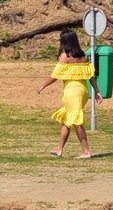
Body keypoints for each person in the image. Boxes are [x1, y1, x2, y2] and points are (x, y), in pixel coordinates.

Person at [37, 29, 99, 158]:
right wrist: (97, 91)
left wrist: (43, 85)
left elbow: (55, 76)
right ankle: (59, 149)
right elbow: (90, 76)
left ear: (64, 41)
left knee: (76, 121)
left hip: (72, 90)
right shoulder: (83, 56)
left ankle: (86, 151)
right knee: (66, 119)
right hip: (82, 89)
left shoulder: (65, 56)